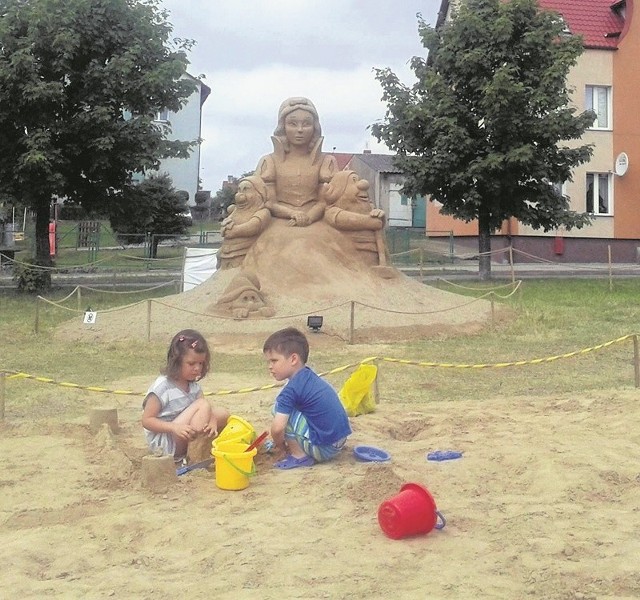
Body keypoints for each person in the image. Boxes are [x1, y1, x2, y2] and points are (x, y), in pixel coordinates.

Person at [263, 327, 352, 469]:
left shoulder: (290, 390)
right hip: (339, 441)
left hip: (324, 448)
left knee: (279, 409)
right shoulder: (307, 375)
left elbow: (278, 428)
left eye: (274, 361)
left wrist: (280, 445)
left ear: (293, 359)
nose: (270, 366)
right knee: (289, 409)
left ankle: (299, 456)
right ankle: (302, 447)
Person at [142, 329, 229, 463]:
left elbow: (207, 412)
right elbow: (147, 420)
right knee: (203, 404)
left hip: (186, 432)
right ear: (176, 361)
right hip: (167, 441)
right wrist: (174, 427)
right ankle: (195, 455)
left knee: (223, 413)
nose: (197, 368)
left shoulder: (194, 387)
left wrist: (212, 421)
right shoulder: (162, 386)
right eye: (191, 363)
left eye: (201, 363)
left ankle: (201, 445)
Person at [255, 97, 337, 227]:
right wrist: (292, 213)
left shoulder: (326, 161)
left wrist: (309, 217)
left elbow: (327, 201)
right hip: (279, 222)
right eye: (293, 124)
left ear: (314, 127)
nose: (300, 129)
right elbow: (267, 202)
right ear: (283, 127)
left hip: (316, 221)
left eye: (306, 124)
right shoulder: (269, 161)